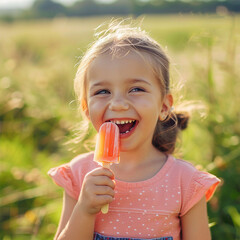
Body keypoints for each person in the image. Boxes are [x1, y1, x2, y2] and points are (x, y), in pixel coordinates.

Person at [48, 20, 220, 240]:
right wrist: (84, 209)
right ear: (85, 108)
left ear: (164, 106)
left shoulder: (185, 182)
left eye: (136, 89)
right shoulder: (80, 175)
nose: (118, 103)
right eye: (102, 92)